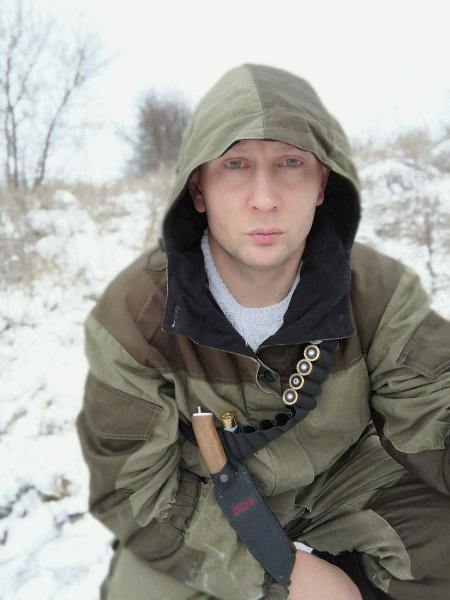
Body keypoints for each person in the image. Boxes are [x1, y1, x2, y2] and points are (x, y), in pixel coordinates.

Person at [76, 64, 450, 600]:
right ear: (199, 189)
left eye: (291, 163)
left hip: (340, 485)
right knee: (139, 591)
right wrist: (285, 574)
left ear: (322, 184)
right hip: (203, 506)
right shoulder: (133, 316)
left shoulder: (379, 291)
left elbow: (435, 412)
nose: (265, 197)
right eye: (235, 164)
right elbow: (132, 489)